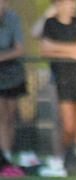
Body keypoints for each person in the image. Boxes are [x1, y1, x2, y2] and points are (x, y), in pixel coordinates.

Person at [39, 0, 76, 176]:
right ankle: (61, 158)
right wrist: (71, 51)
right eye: (67, 3)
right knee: (68, 125)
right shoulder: (51, 24)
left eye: (73, 3)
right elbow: (45, 50)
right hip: (62, 79)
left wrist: (57, 48)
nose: (71, 6)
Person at [0, 0, 26, 169]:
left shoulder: (13, 19)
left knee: (9, 117)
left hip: (12, 75)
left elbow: (19, 49)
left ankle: (7, 154)